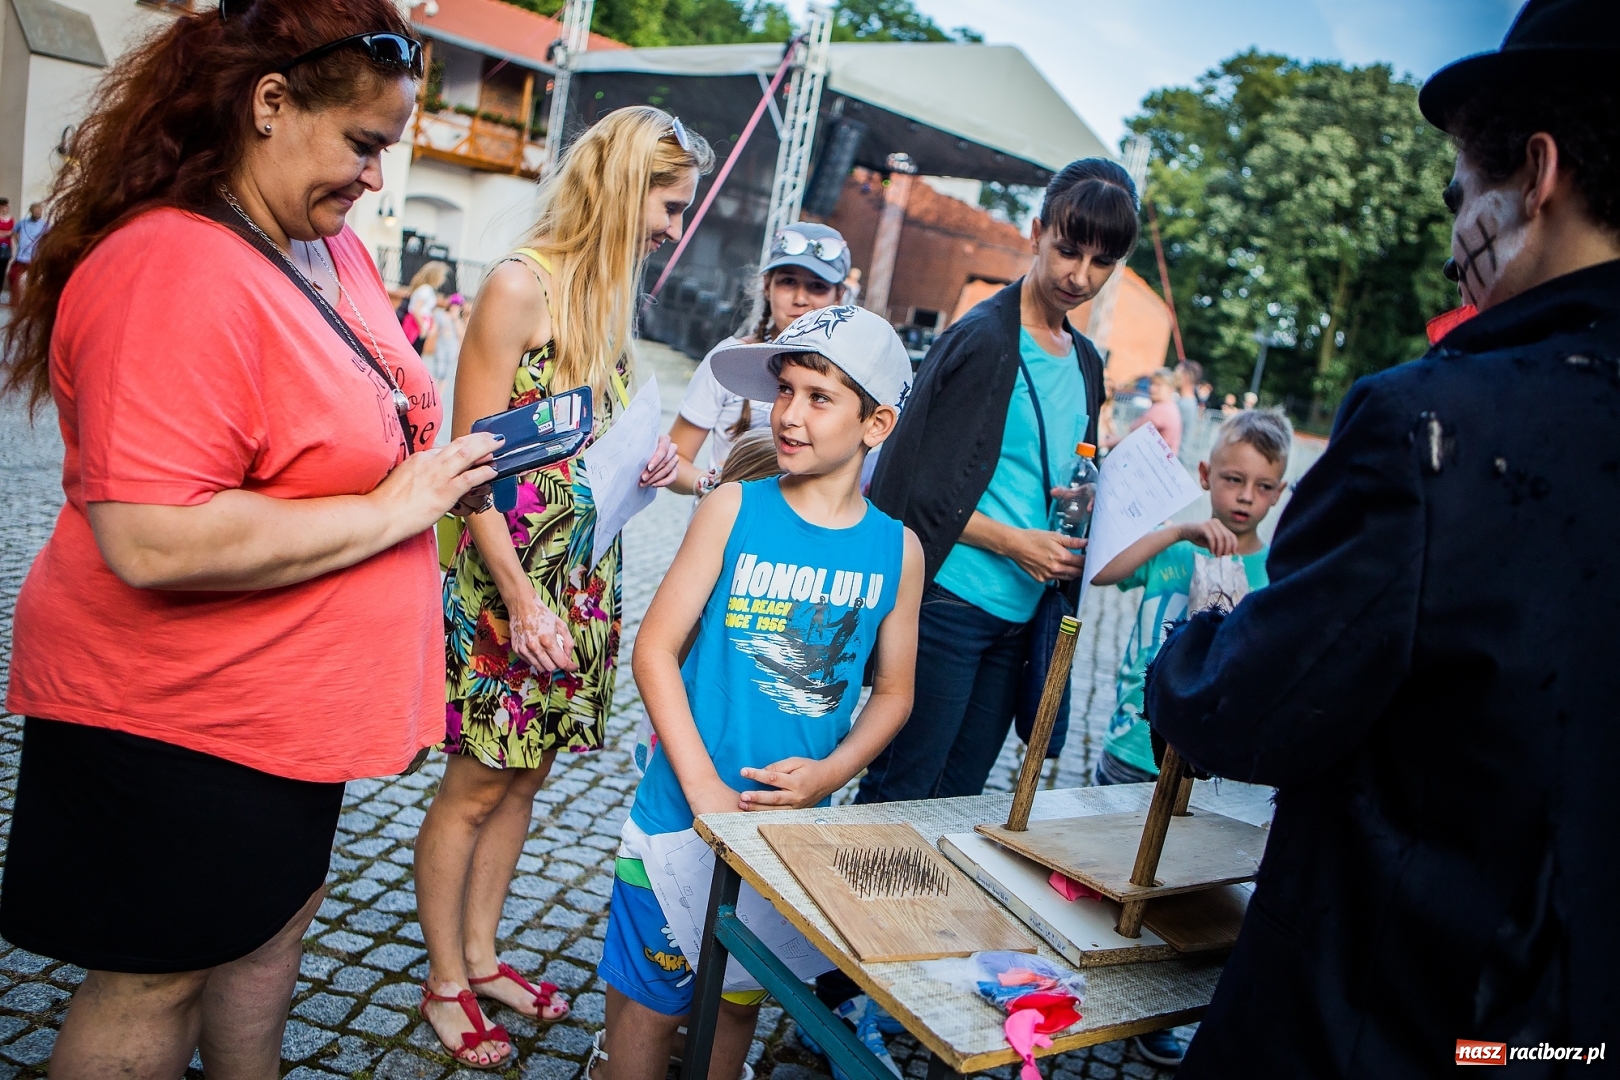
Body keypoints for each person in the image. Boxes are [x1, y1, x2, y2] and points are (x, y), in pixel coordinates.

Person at [0, 3, 496, 1077]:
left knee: (263, 937)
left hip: (275, 718)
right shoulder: (172, 266)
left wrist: (438, 477)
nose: (375, 179)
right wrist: (395, 510)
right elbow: (151, 537)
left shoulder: (320, 244)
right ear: (269, 103)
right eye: (363, 144)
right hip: (178, 717)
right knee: (154, 976)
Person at [1144, 1, 1620, 1074]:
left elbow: (1250, 706)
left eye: (1462, 198)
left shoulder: (1436, 424)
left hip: (1387, 1020)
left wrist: (1189, 654)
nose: (1458, 250)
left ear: (1534, 178)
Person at [418, 105, 710, 1070]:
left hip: (582, 579)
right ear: (626, 187)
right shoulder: (519, 286)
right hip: (512, 589)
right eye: (669, 205)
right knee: (474, 785)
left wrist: (651, 467)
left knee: (527, 776)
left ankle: (484, 953)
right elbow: (469, 470)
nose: (676, 226)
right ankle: (446, 984)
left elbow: (588, 440)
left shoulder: (608, 294)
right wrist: (520, 598)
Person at [597, 305, 923, 1080]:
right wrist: (702, 784)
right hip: (678, 822)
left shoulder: (898, 551)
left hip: (778, 843)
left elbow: (894, 693)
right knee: (645, 1016)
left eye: (818, 397)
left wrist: (828, 775)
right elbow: (655, 649)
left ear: (875, 423)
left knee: (731, 1014)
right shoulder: (732, 509)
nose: (789, 414)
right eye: (785, 391)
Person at [857, 158, 1130, 804]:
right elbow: (913, 491)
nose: (1079, 275)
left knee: (959, 798)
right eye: (1067, 250)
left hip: (1022, 618)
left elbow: (1059, 467)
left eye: (1100, 263)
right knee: (902, 789)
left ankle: (913, 909)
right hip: (950, 604)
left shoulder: (1087, 361)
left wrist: (1081, 501)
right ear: (1036, 231)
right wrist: (1016, 543)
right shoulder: (981, 338)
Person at [1087, 409, 1291, 1067]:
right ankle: (1092, 996)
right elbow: (1105, 571)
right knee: (1102, 880)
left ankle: (1153, 1012)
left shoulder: (1275, 572)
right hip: (1127, 747)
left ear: (1280, 492)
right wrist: (1177, 529)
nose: (1244, 498)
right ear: (1206, 475)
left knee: (1179, 893)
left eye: (1263, 488)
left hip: (1200, 768)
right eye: (1233, 480)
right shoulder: (1175, 547)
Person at [667, 223, 849, 495]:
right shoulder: (729, 359)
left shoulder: (850, 372)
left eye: (817, 287)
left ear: (839, 297)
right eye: (788, 281)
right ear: (767, 286)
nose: (800, 298)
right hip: (726, 529)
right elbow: (674, 461)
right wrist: (713, 485)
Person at [1106, 366, 1181, 453]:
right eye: (1152, 383)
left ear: (1170, 389)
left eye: (1158, 385)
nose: (1152, 388)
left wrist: (1107, 442)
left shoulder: (1160, 410)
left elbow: (1133, 437)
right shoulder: (1171, 407)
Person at [403, 258, 448, 355]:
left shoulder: (424, 289)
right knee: (415, 353)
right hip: (416, 325)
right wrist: (423, 327)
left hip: (418, 323)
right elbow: (416, 309)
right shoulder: (426, 290)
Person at [8, 203, 46, 307]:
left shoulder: (44, 224)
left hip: (35, 257)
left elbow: (50, 235)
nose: (38, 213)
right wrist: (18, 241)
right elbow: (14, 231)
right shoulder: (23, 222)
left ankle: (31, 303)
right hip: (21, 256)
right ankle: (14, 301)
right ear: (31, 211)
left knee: (33, 281)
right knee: (13, 277)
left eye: (40, 212)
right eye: (36, 211)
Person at [0, 198, 13, 303]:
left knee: (2, 270)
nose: (6, 209)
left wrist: (5, 233)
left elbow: (12, 231)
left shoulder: (11, 219)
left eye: (7, 207)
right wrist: (5, 233)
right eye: (4, 207)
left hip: (7, 246)